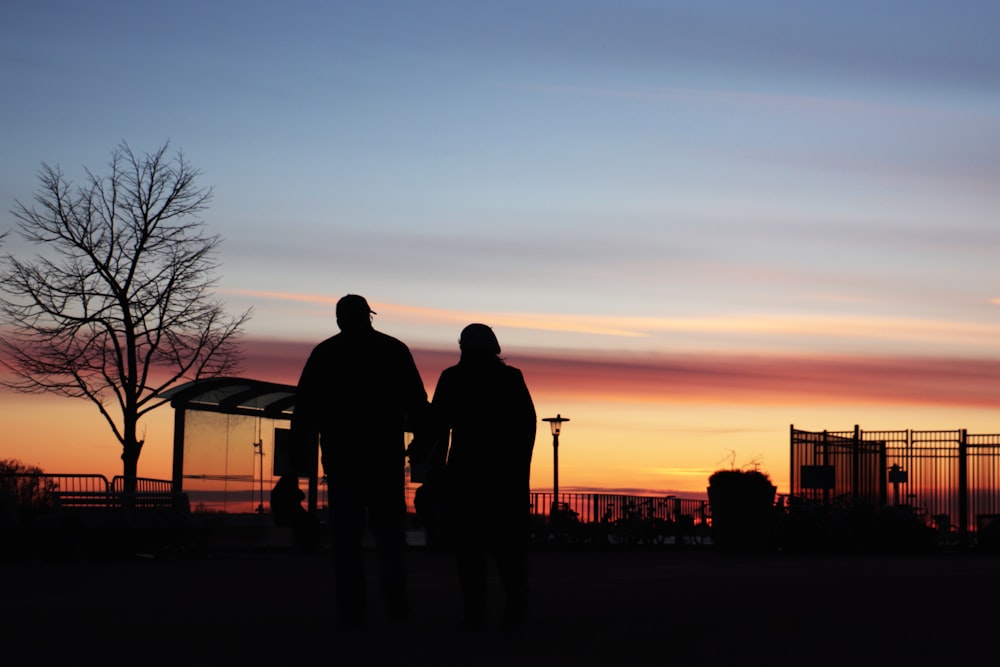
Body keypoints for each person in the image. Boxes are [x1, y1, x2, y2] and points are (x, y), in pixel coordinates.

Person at [290, 294, 428, 626]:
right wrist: (422, 442)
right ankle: (394, 596)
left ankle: (352, 604)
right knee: (389, 531)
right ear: (369, 316)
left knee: (347, 536)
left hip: (342, 459)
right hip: (384, 456)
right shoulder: (394, 350)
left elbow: (305, 408)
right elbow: (417, 402)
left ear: (340, 319)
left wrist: (298, 453)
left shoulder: (325, 353)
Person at [425, 323, 537, 629]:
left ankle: (475, 611)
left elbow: (437, 426)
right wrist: (518, 471)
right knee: (507, 548)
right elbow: (527, 428)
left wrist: (429, 463)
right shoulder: (510, 378)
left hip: (465, 474)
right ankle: (514, 605)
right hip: (504, 478)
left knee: (470, 549)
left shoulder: (453, 378)